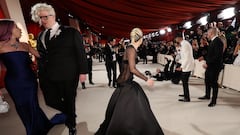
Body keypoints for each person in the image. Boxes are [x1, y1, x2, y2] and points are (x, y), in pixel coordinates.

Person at [31, 3, 88, 135]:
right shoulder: (41, 35)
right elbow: (42, 55)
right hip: (48, 75)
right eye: (40, 18)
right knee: (50, 100)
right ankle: (71, 114)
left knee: (69, 99)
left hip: (68, 74)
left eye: (45, 17)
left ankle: (72, 126)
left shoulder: (71, 32)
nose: (42, 21)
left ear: (53, 15)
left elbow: (80, 53)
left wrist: (83, 72)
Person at [95, 28, 164, 135]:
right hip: (126, 82)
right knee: (134, 105)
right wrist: (147, 79)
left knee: (132, 105)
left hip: (126, 81)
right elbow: (132, 69)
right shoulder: (131, 49)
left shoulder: (130, 48)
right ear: (139, 39)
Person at [0, 19, 53, 135]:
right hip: (13, 83)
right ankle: (32, 130)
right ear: (8, 30)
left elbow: (41, 55)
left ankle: (37, 128)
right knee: (21, 106)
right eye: (16, 27)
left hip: (30, 80)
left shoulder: (25, 45)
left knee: (33, 104)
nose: (20, 30)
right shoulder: (0, 47)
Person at [198, 28, 223, 107]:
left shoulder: (218, 41)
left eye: (207, 34)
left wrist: (208, 63)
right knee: (207, 81)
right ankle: (207, 95)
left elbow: (217, 56)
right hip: (210, 65)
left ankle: (214, 100)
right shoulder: (213, 41)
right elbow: (210, 54)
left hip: (214, 66)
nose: (206, 35)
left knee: (214, 83)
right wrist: (204, 57)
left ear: (211, 33)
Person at [175, 33, 195, 102]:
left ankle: (187, 97)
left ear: (179, 38)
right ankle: (185, 94)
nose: (175, 40)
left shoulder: (185, 44)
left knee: (185, 82)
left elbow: (187, 57)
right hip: (186, 65)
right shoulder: (183, 44)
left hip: (187, 66)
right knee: (184, 81)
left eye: (176, 39)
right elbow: (183, 56)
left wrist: (182, 66)